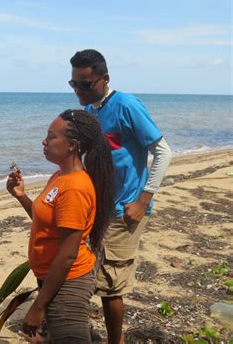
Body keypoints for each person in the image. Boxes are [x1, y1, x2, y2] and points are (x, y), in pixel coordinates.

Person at [69, 49, 172, 344]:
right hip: (100, 208)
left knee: (111, 283)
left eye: (85, 85)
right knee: (91, 274)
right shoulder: (91, 111)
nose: (78, 90)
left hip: (125, 208)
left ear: (105, 79)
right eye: (73, 84)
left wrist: (142, 201)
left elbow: (163, 152)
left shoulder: (127, 105)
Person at [7, 110, 115, 343]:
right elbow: (47, 223)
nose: (44, 141)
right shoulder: (60, 176)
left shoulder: (74, 187)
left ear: (72, 145)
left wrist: (38, 306)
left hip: (68, 281)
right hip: (54, 277)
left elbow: (68, 254)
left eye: (51, 136)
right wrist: (21, 196)